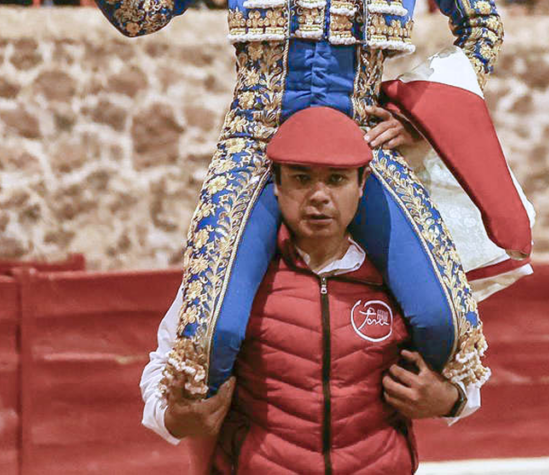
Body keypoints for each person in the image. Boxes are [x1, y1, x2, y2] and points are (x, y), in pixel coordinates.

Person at [48, 0, 502, 400]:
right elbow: (141, 9)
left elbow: (482, 25)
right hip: (255, 145)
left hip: (362, 147)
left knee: (447, 326)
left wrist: (423, 114)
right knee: (205, 340)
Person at [141, 107, 482, 474]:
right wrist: (175, 418)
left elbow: (465, 374)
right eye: (302, 179)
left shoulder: (398, 277)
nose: (319, 196)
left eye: (336, 180)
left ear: (362, 183)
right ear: (278, 184)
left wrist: (450, 399)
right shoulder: (236, 274)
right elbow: (163, 365)